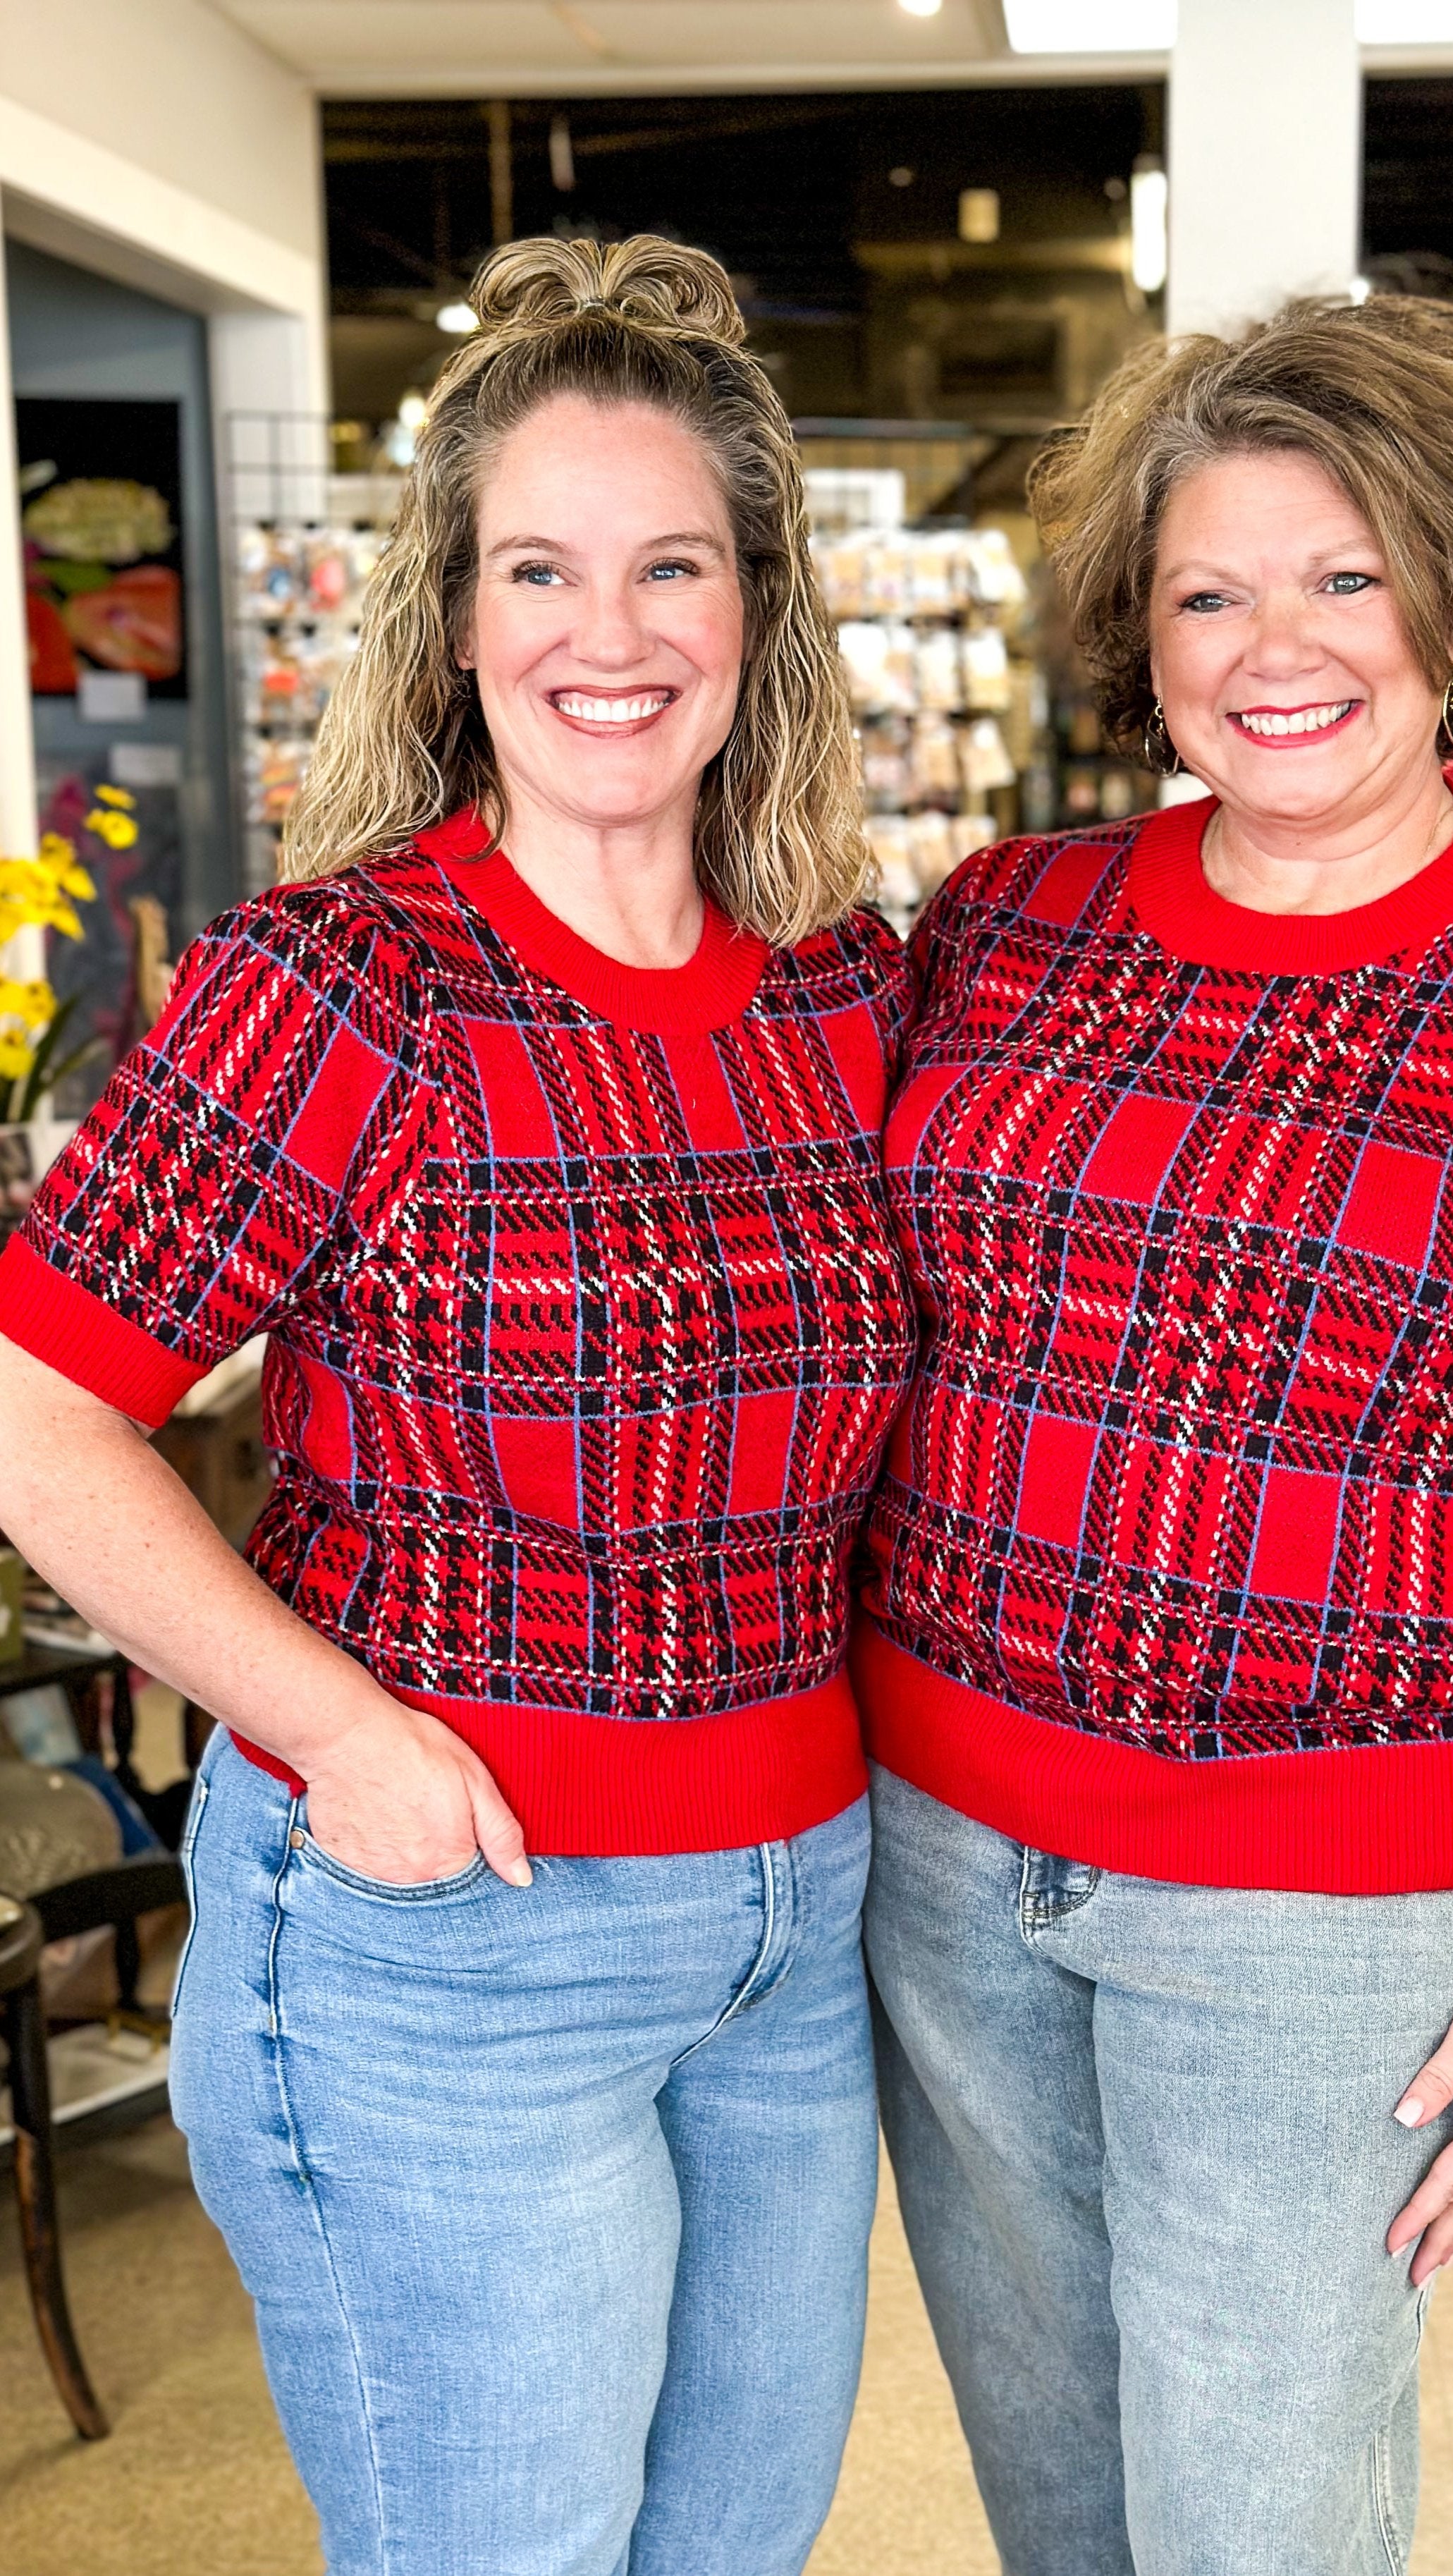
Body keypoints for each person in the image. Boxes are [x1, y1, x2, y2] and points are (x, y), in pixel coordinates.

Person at [854, 298, 1453, 2576]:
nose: (1268, 644)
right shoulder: (1007, 927)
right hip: (938, 1855)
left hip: (1331, 1912)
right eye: (1207, 588)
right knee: (1062, 2500)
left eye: (1342, 577)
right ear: (1139, 630)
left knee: (1253, 2529)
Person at [0, 235, 914, 2576]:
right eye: (539, 566)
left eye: (666, 565)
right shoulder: (347, 986)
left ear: (755, 611)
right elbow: (31, 1398)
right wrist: (350, 1737)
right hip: (443, 1943)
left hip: (793, 1931)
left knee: (730, 2551)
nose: (604, 634)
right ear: (458, 617)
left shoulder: (844, 988)